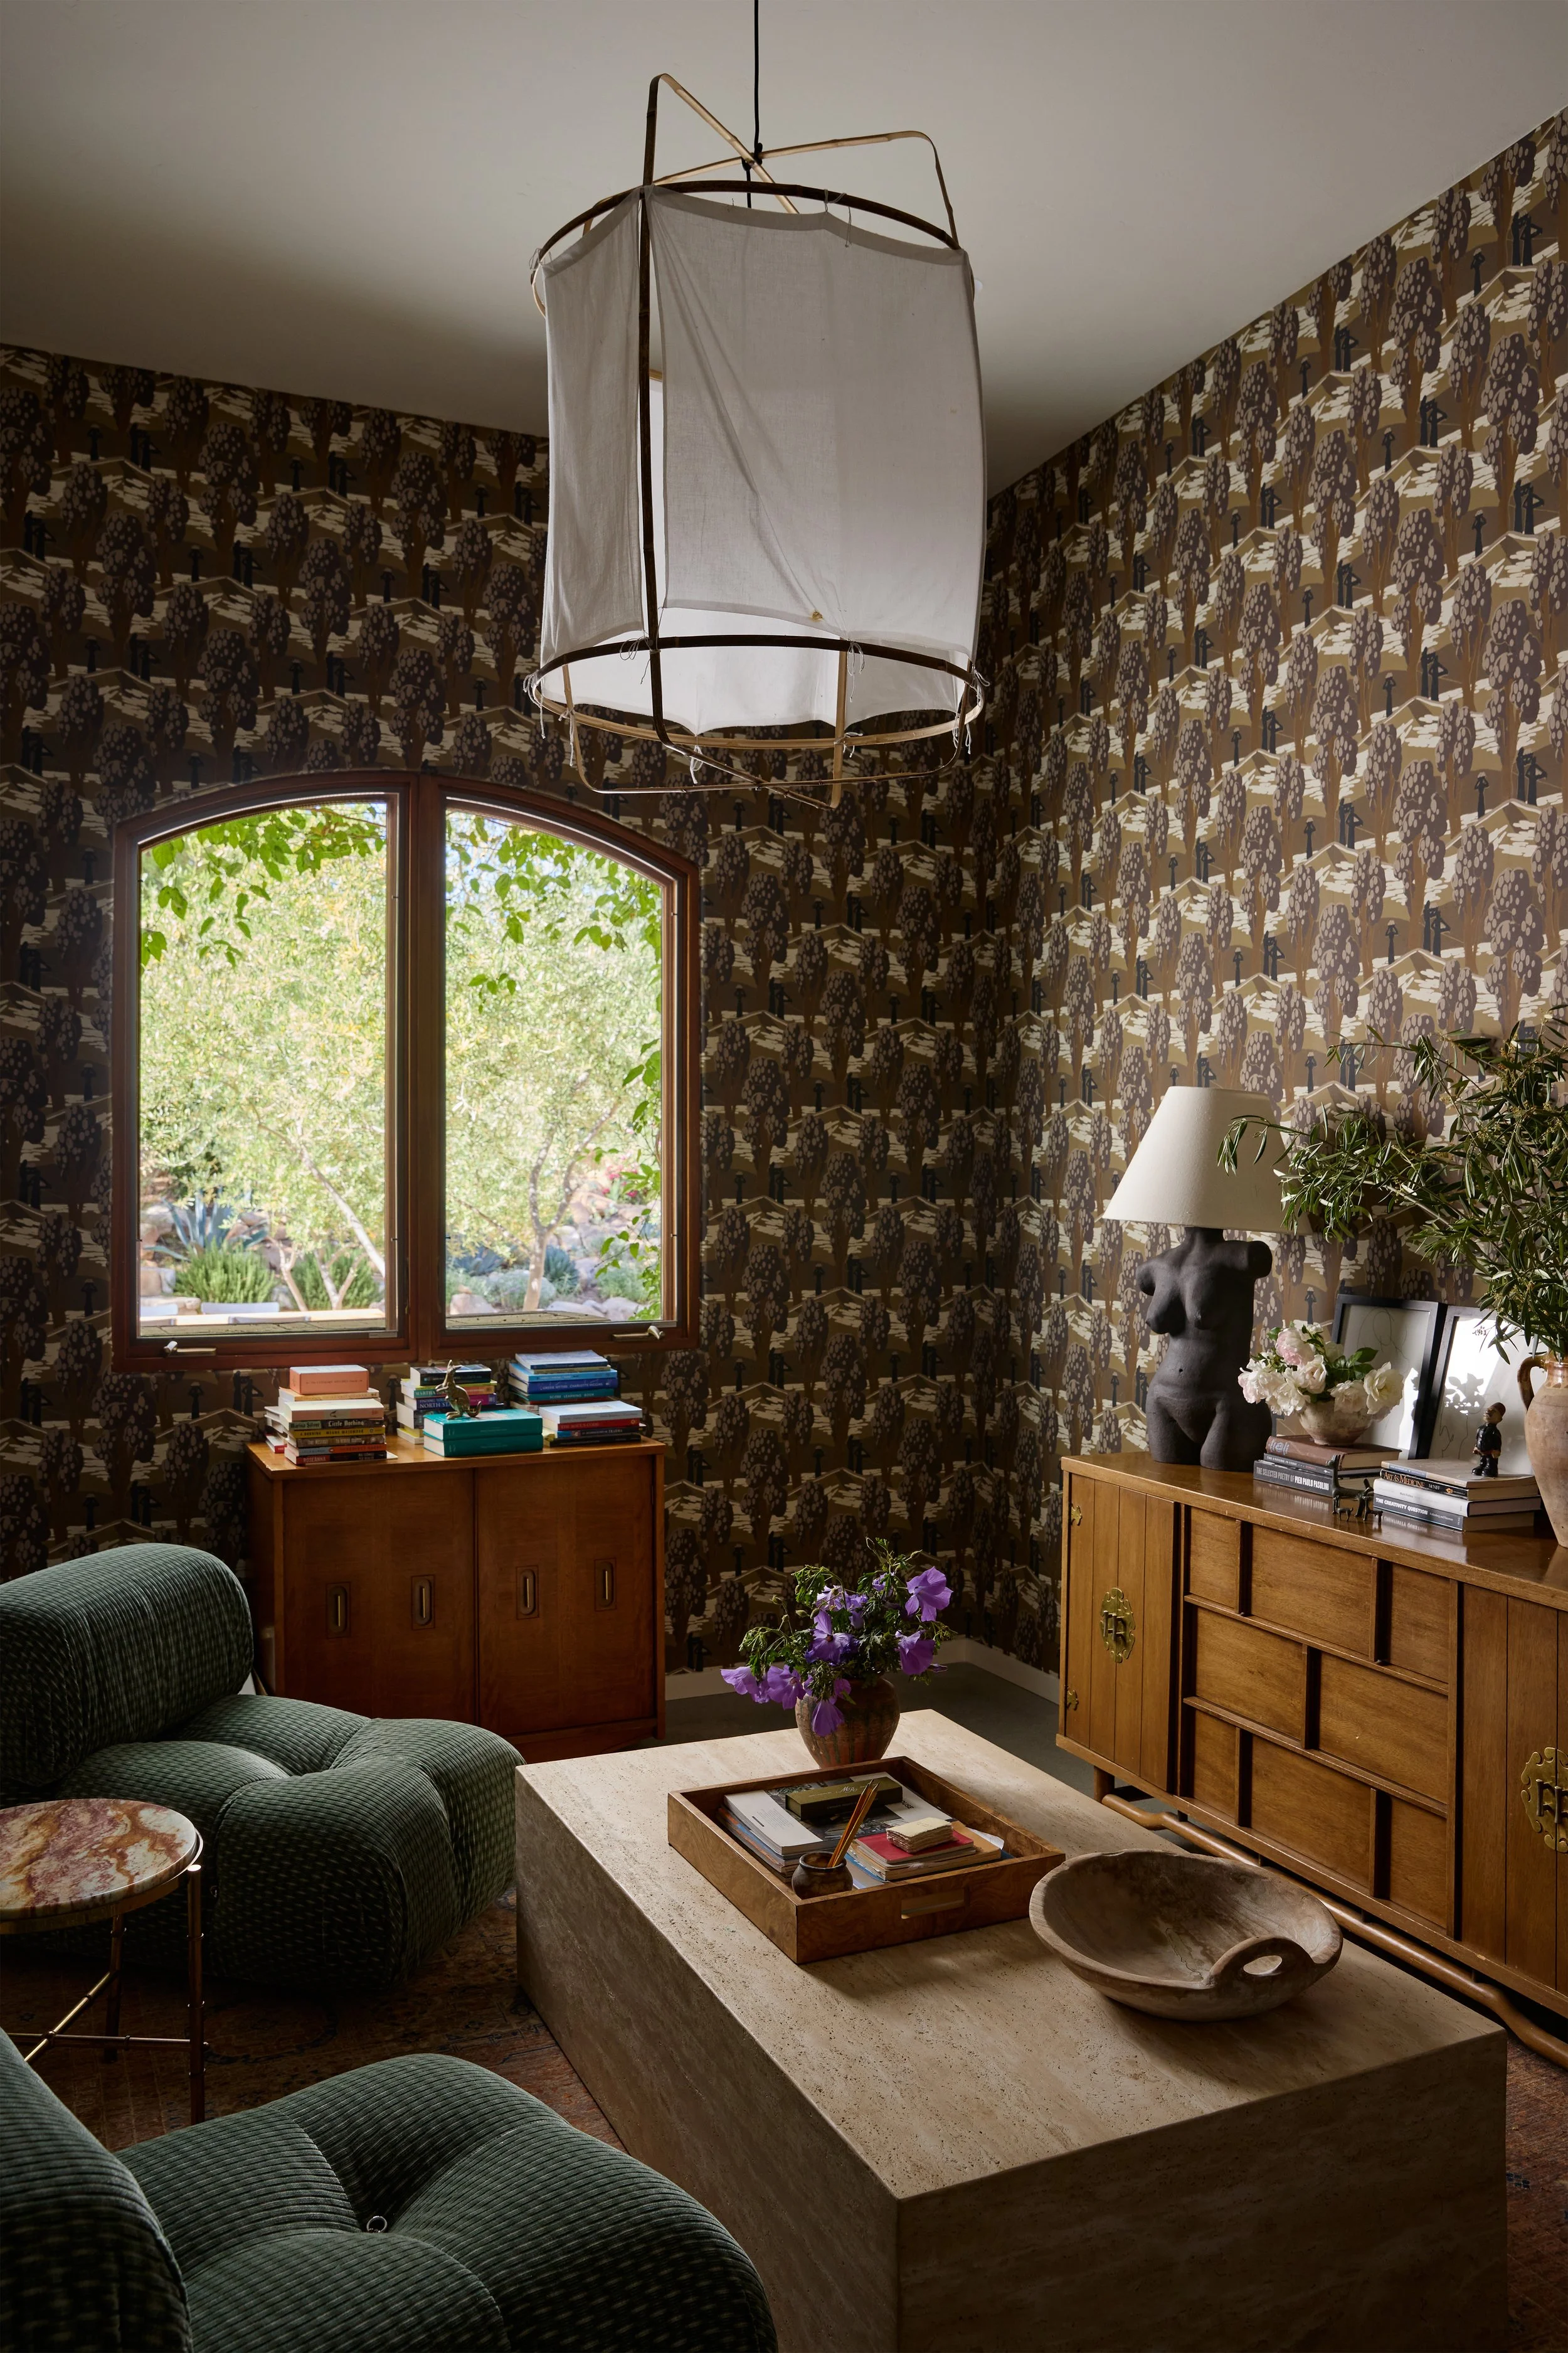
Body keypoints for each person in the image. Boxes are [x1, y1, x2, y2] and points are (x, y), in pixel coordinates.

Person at [1472, 1400, 1505, 1475]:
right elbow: (1477, 1438)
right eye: (1487, 1410)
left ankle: (1491, 1469)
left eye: (1493, 1412)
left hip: (1491, 1452)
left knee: (1491, 1461)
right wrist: (1476, 1447)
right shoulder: (1480, 1429)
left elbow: (1498, 1442)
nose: (1488, 1412)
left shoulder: (1495, 1432)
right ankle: (1482, 1466)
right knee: (1483, 1460)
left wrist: (1497, 1451)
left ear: (1499, 1419)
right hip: (1481, 1451)